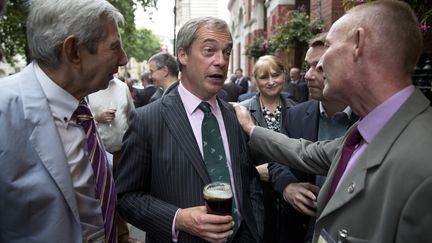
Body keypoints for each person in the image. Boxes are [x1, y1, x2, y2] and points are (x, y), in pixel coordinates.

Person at [233, 1, 432, 242]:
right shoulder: (366, 131)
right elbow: (306, 152)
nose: (318, 66)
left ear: (358, 43)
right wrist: (250, 128)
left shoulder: (423, 163)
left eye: (328, 47)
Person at [116, 17, 264, 243]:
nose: (221, 61)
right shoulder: (147, 120)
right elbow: (126, 197)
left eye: (227, 52)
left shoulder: (235, 117)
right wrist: (178, 219)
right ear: (182, 55)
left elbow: (249, 180)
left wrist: (255, 232)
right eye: (209, 51)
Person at [0, 0, 128, 242]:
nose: (123, 59)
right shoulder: (4, 110)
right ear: (73, 51)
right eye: (114, 47)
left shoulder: (79, 101)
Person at [267, 32, 358, 243]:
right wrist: (288, 187)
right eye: (308, 66)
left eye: (319, 67)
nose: (308, 75)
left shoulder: (367, 117)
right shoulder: (297, 115)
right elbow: (277, 162)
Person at [239, 55, 296, 243]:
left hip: (290, 197)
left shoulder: (298, 111)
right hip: (255, 196)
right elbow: (233, 158)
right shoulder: (242, 111)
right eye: (264, 77)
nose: (271, 82)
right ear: (255, 81)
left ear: (284, 76)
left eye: (276, 75)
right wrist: (254, 171)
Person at [88, 77, 135, 170]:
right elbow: (75, 120)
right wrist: (97, 118)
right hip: (98, 155)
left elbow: (132, 116)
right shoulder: (87, 87)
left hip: (123, 153)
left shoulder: (123, 87)